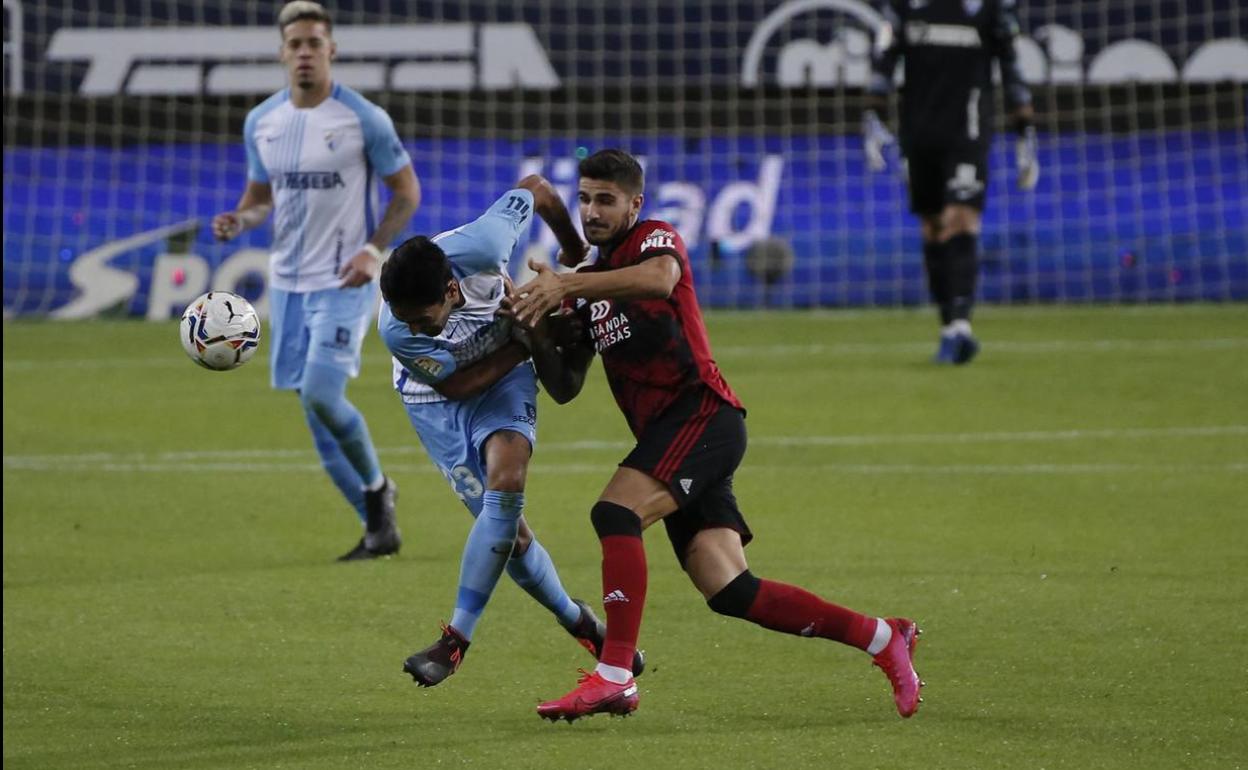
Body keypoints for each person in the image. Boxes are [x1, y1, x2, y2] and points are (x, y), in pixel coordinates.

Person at [506, 149, 922, 722]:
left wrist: (575, 286)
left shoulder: (653, 240)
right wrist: (531, 331)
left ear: (635, 204)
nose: (592, 211)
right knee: (729, 590)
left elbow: (661, 280)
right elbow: (565, 386)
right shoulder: (587, 286)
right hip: (676, 436)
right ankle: (883, 637)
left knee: (615, 513)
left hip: (701, 414)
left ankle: (615, 675)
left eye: (606, 200)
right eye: (584, 198)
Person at [378, 175, 644, 687]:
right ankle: (579, 621)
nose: (412, 327)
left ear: (452, 290)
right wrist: (527, 338)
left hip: (504, 377)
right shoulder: (397, 331)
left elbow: (538, 188)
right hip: (436, 399)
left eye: (421, 318)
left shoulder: (487, 242)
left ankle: (453, 642)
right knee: (510, 535)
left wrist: (569, 244)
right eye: (403, 319)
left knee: (507, 486)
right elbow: (457, 386)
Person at [212, 1, 421, 560]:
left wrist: (373, 251)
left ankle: (379, 491)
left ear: (331, 50)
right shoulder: (262, 121)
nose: (304, 53)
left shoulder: (364, 118)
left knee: (323, 393)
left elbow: (407, 192)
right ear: (282, 52)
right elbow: (259, 201)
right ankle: (378, 530)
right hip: (287, 286)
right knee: (314, 411)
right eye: (295, 44)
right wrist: (240, 219)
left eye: (314, 43)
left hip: (343, 281)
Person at [863, 0, 1038, 364]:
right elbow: (883, 59)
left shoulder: (991, 8)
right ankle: (948, 327)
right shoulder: (904, 7)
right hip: (919, 132)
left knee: (962, 217)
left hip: (969, 131)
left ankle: (961, 325)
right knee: (933, 225)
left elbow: (1011, 65)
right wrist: (873, 115)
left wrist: (1025, 128)